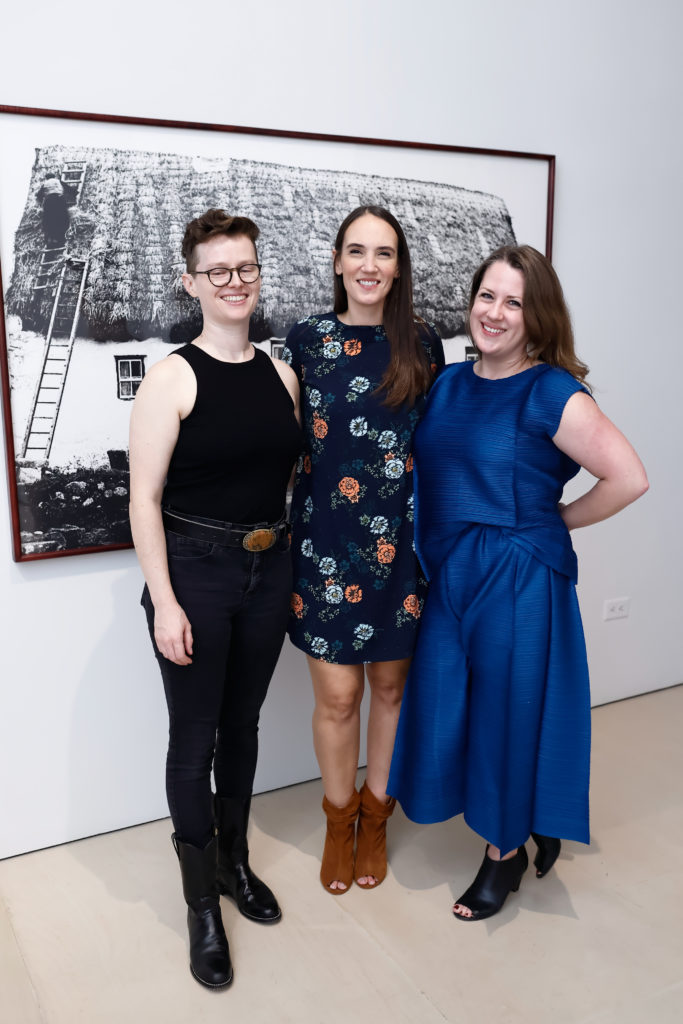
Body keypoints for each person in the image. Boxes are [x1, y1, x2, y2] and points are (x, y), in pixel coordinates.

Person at [388, 244, 648, 921]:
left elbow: (628, 478)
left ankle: (502, 855)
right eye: (487, 296)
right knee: (448, 703)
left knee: (506, 714)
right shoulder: (445, 383)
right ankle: (530, 815)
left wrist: (556, 518)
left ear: (536, 317)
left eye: (514, 301)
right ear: (470, 302)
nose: (495, 313)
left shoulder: (552, 392)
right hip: (450, 572)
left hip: (517, 573)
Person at [129, 209, 302, 987]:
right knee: (192, 737)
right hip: (195, 571)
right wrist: (164, 600)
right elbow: (143, 499)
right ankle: (202, 905)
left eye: (247, 268)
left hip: (270, 568)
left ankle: (233, 862)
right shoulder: (173, 376)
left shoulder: (281, 371)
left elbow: (285, 473)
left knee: (243, 724)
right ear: (191, 280)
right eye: (219, 271)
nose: (236, 283)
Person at [281, 205, 444, 895]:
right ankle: (336, 817)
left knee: (389, 687)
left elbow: (439, 447)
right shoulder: (306, 341)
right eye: (356, 251)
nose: (369, 265)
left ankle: (375, 817)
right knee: (340, 697)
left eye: (383, 253)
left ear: (398, 266)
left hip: (398, 549)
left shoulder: (424, 345)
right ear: (338, 262)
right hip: (323, 545)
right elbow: (281, 440)